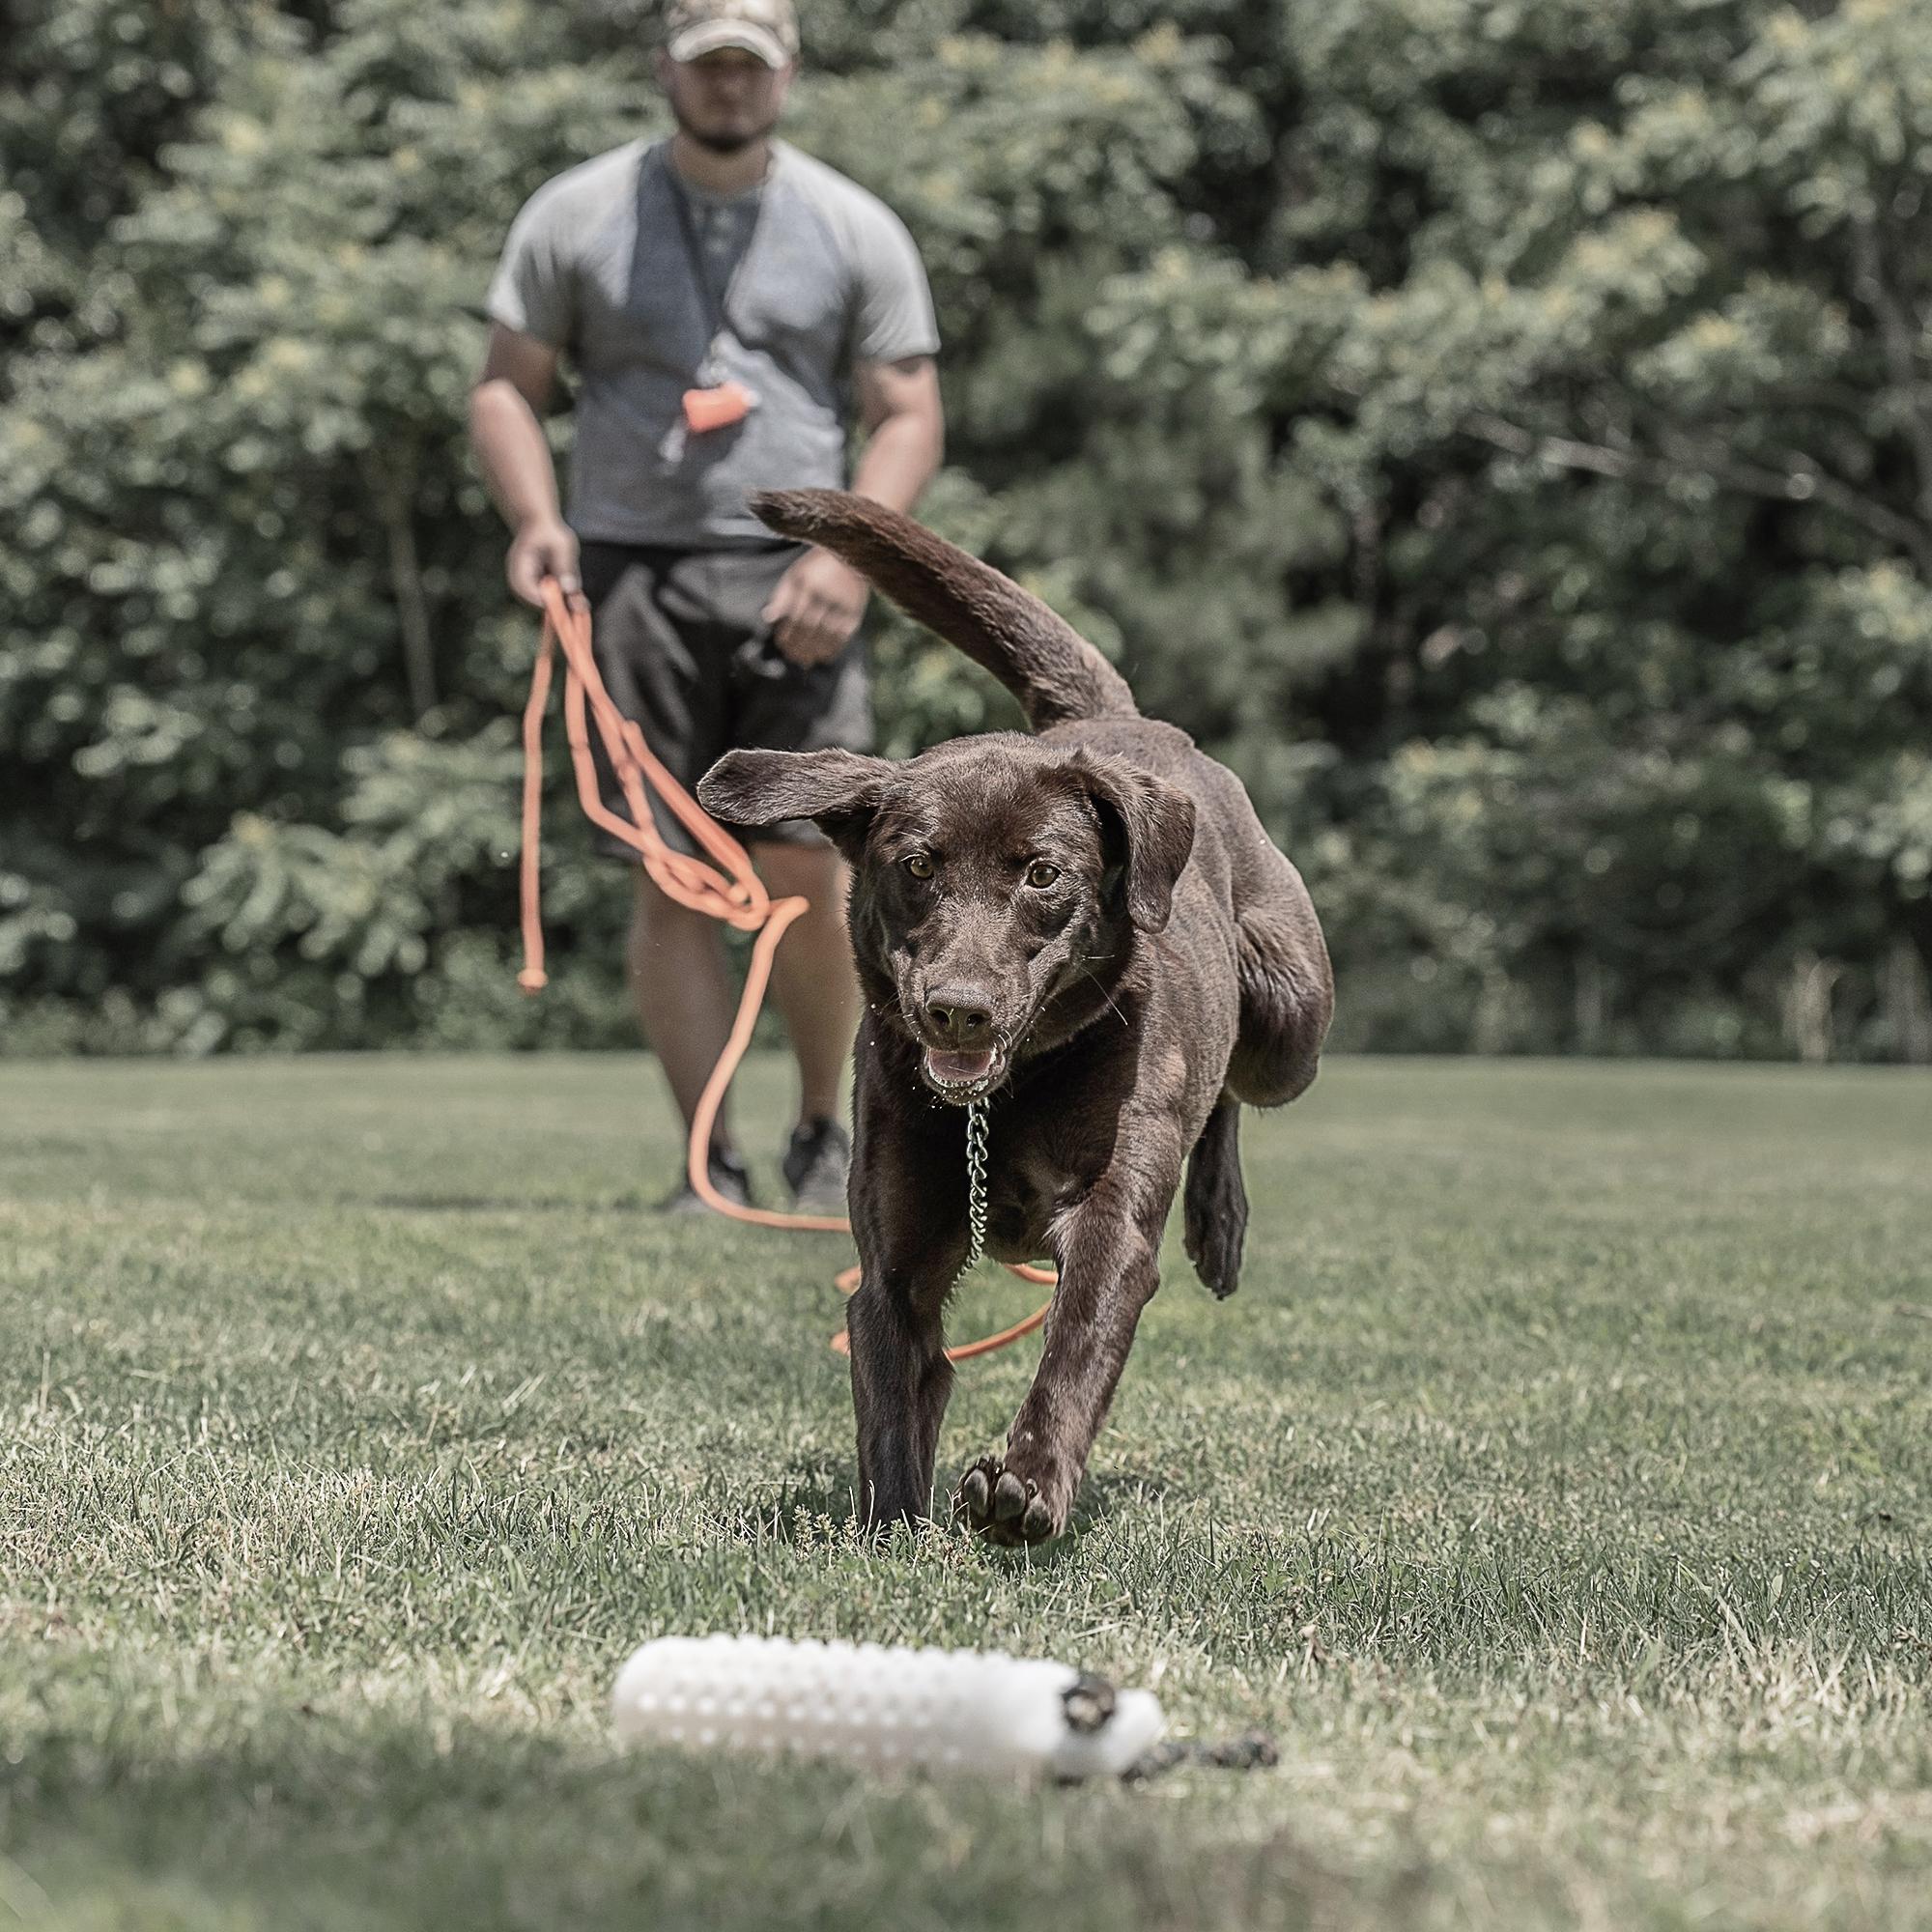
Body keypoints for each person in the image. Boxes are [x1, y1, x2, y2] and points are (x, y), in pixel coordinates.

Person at [469, 0, 944, 1213]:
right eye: (707, 65)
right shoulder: (575, 214)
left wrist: (852, 558)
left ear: (785, 71)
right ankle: (705, 1156)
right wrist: (537, 522)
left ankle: (824, 1131)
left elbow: (905, 411)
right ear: (665, 70)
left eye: (749, 65)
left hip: (801, 574)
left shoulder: (851, 224)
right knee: (669, 873)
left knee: (810, 871)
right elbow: (507, 391)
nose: (727, 86)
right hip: (627, 573)